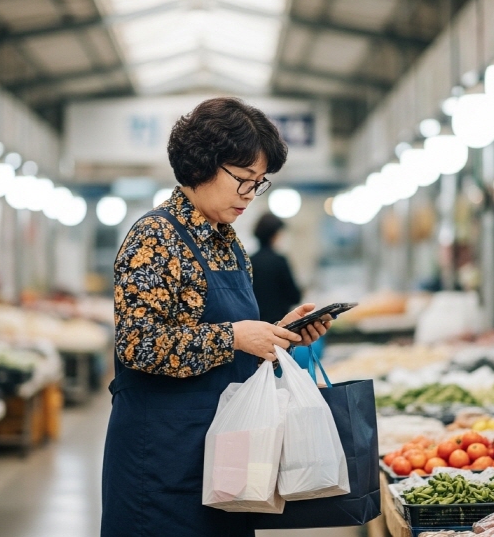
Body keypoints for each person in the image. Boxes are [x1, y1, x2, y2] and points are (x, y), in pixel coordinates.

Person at [102, 97, 332, 537]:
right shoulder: (157, 237)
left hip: (222, 455)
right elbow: (137, 344)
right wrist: (233, 337)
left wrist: (280, 335)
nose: (250, 195)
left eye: (259, 183)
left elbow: (230, 339)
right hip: (161, 463)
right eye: (243, 179)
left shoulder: (227, 242)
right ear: (201, 164)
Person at [251, 213, 302, 324]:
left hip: (255, 325)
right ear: (275, 235)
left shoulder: (248, 261)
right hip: (279, 325)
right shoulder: (280, 261)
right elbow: (294, 296)